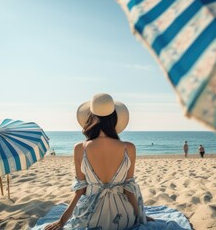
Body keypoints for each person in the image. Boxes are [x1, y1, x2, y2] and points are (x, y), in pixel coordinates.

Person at [45, 93, 152, 230]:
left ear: (89, 119)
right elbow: (129, 189)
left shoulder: (79, 148)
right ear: (115, 119)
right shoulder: (128, 148)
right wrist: (140, 216)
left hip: (91, 219)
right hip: (123, 219)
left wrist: (62, 221)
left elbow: (80, 190)